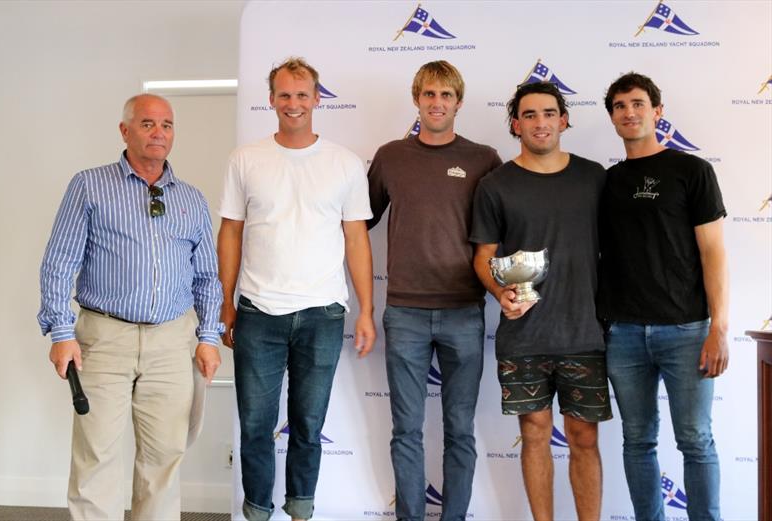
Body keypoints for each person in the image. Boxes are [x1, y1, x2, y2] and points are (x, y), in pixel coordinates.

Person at [37, 93, 224, 521]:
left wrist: (208, 337)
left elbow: (206, 277)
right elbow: (60, 262)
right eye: (147, 124)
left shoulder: (191, 199)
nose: (158, 133)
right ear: (125, 130)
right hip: (104, 339)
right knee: (96, 456)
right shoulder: (89, 185)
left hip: (172, 342)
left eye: (167, 125)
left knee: (165, 458)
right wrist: (62, 333)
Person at [217, 57, 375, 521]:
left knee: (308, 426)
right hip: (257, 312)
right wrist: (225, 302)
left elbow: (356, 239)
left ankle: (301, 511)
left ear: (317, 99)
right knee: (255, 426)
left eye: (302, 94)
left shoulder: (344, 163)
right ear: (270, 100)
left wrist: (365, 310)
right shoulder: (245, 159)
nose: (293, 103)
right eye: (284, 95)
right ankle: (258, 512)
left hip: (322, 315)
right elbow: (230, 231)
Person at [366, 60, 501, 521]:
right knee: (406, 429)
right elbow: (357, 220)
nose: (437, 103)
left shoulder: (484, 158)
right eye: (428, 94)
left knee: (460, 429)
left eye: (446, 95)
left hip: (465, 310)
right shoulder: (390, 156)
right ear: (417, 99)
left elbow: (504, 227)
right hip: (403, 311)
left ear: (458, 102)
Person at [470, 81, 610, 521]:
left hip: (585, 332)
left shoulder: (595, 178)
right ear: (516, 125)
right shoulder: (495, 186)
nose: (540, 122)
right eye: (529, 115)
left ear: (564, 120)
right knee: (534, 436)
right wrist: (500, 291)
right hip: (523, 336)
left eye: (549, 113)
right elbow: (483, 258)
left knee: (584, 438)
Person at [600, 72, 728, 521]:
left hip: (687, 331)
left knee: (695, 440)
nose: (629, 112)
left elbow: (713, 252)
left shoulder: (692, 171)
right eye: (619, 106)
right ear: (612, 118)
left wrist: (719, 328)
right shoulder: (607, 181)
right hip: (624, 335)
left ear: (657, 111)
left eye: (637, 104)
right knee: (637, 440)